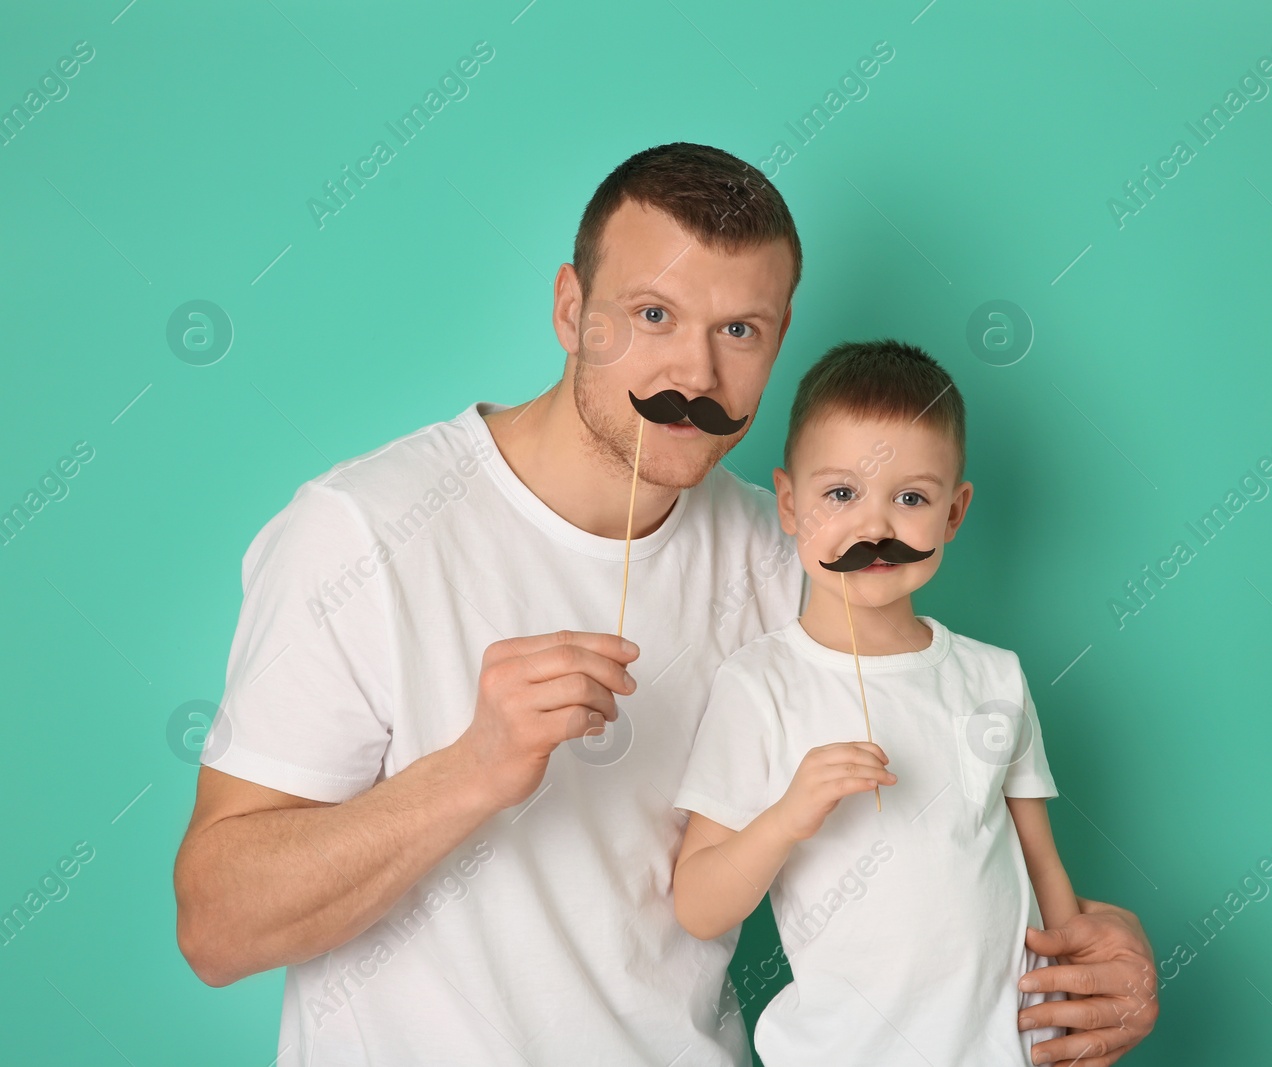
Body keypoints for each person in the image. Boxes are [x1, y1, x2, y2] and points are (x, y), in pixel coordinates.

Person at [172, 143, 1158, 1066]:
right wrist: (469, 772)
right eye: (653, 316)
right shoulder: (359, 533)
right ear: (570, 309)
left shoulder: (796, 567)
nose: (696, 374)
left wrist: (1086, 945)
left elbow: (936, 801)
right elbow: (216, 925)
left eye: (739, 331)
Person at [673, 340, 1084, 1065]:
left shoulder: (996, 677)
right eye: (841, 494)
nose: (875, 527)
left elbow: (1044, 866)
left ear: (954, 512)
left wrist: (1078, 1011)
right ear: (791, 505)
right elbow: (697, 903)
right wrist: (787, 815)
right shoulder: (759, 686)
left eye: (911, 497)